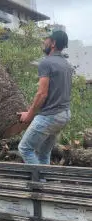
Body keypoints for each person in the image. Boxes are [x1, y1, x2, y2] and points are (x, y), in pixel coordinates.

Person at [18, 30, 72, 165]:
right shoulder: (66, 64)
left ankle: (40, 182)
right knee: (43, 153)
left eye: (46, 39)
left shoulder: (46, 63)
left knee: (25, 148)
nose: (44, 42)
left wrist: (29, 115)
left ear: (53, 43)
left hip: (50, 116)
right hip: (63, 115)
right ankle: (44, 182)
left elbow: (42, 94)